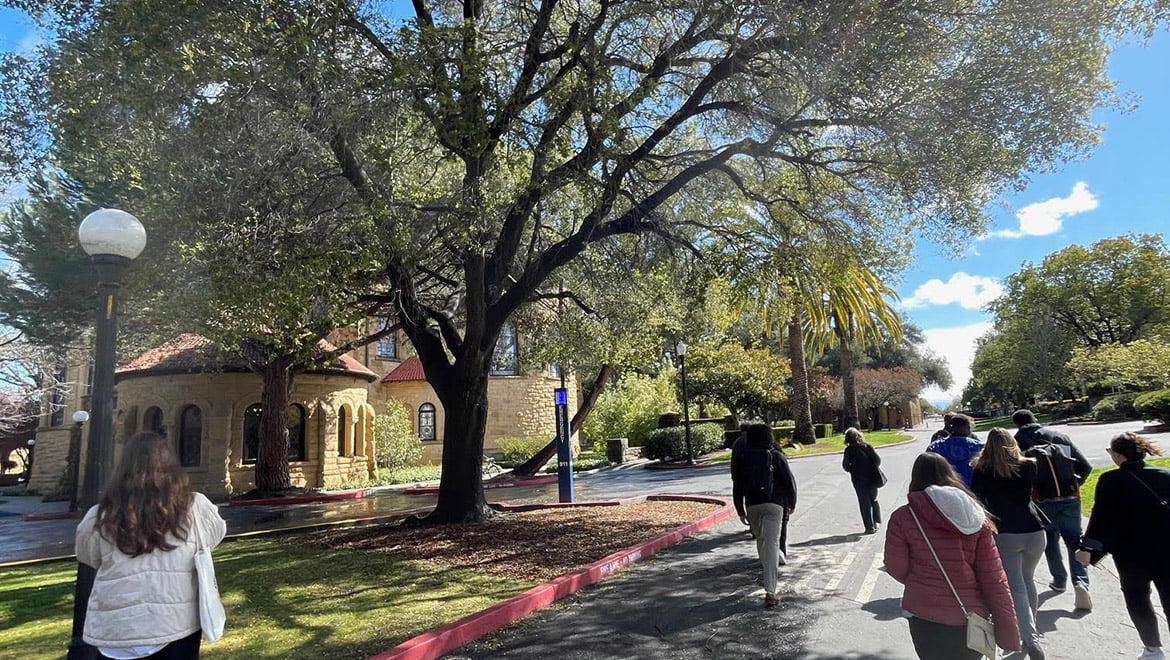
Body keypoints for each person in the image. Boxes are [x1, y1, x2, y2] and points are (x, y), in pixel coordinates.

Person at [75, 431, 227, 659]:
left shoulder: (101, 515)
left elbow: (88, 556)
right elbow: (214, 536)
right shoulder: (196, 508)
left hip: (116, 632)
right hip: (174, 626)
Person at [885, 452, 1021, 659]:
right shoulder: (976, 518)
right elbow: (994, 578)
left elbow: (896, 567)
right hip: (970, 615)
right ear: (950, 475)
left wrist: (919, 580)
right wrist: (1008, 633)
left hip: (924, 613)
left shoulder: (903, 517)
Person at [1077, 432, 1170, 660]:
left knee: (1137, 599)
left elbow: (1101, 519)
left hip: (1130, 553)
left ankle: (1153, 649)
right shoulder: (1165, 475)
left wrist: (1088, 549)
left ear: (1118, 455)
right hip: (1167, 549)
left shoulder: (1110, 481)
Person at [971, 428, 1047, 660]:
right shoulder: (1029, 466)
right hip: (1034, 530)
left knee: (1016, 587)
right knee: (1027, 581)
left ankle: (1029, 638)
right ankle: (1030, 631)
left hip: (1005, 532)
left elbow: (976, 500)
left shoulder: (982, 469)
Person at [1012, 408, 1093, 611]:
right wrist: (1075, 485)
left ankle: (1059, 579)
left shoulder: (1017, 442)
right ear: (1035, 419)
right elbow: (1085, 466)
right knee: (1075, 540)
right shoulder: (1060, 436)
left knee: (1050, 541)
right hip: (1070, 497)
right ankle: (1081, 582)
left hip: (1040, 500)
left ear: (1017, 424)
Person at [731, 423, 798, 608]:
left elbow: (737, 486)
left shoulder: (742, 457)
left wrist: (740, 510)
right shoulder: (776, 455)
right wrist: (791, 503)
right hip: (774, 504)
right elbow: (789, 481)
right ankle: (770, 590)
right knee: (770, 543)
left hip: (752, 505)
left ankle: (772, 565)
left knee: (762, 541)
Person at [842, 427, 883, 534]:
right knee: (873, 499)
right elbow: (878, 460)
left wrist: (853, 469)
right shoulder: (867, 447)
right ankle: (876, 521)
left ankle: (869, 527)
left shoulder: (848, 451)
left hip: (858, 479)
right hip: (872, 477)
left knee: (864, 502)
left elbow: (846, 467)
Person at [926, 414, 983, 487]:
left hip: (945, 490)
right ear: (968, 428)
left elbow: (928, 470)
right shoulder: (978, 447)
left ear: (951, 428)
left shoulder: (935, 447)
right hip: (973, 490)